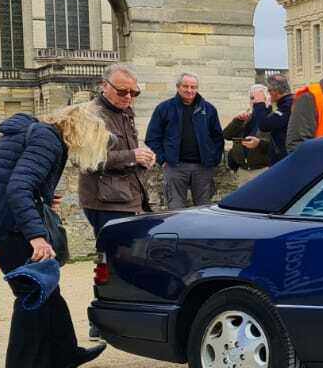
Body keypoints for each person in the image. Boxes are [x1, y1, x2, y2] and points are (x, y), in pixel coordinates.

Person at [0, 104, 114, 368]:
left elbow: (13, 178)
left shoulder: (34, 132)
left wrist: (44, 197)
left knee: (48, 289)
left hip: (4, 218)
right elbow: (18, 188)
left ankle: (64, 353)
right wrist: (36, 235)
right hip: (6, 224)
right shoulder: (47, 138)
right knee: (32, 292)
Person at [80, 64, 153, 238]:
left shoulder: (125, 112)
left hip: (129, 198)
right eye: (122, 92)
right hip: (106, 202)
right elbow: (87, 160)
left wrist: (143, 159)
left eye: (134, 92)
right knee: (115, 252)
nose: (128, 97)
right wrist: (132, 156)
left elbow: (128, 152)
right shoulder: (91, 115)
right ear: (104, 86)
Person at [145, 73, 224, 209]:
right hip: (175, 167)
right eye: (185, 86)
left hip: (203, 168)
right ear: (178, 87)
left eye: (193, 87)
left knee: (204, 209)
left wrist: (213, 159)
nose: (189, 90)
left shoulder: (209, 109)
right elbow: (152, 138)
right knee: (175, 208)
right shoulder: (164, 108)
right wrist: (163, 160)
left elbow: (218, 138)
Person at [223, 85, 273, 187]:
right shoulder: (246, 117)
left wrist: (259, 143)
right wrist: (237, 121)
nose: (253, 102)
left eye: (258, 101)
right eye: (252, 98)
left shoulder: (272, 118)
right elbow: (226, 135)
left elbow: (277, 145)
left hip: (262, 170)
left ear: (267, 100)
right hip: (243, 170)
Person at [260, 73, 293, 163]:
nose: (268, 94)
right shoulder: (291, 102)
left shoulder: (287, 106)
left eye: (269, 91)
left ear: (275, 91)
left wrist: (264, 104)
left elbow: (264, 126)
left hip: (284, 157)